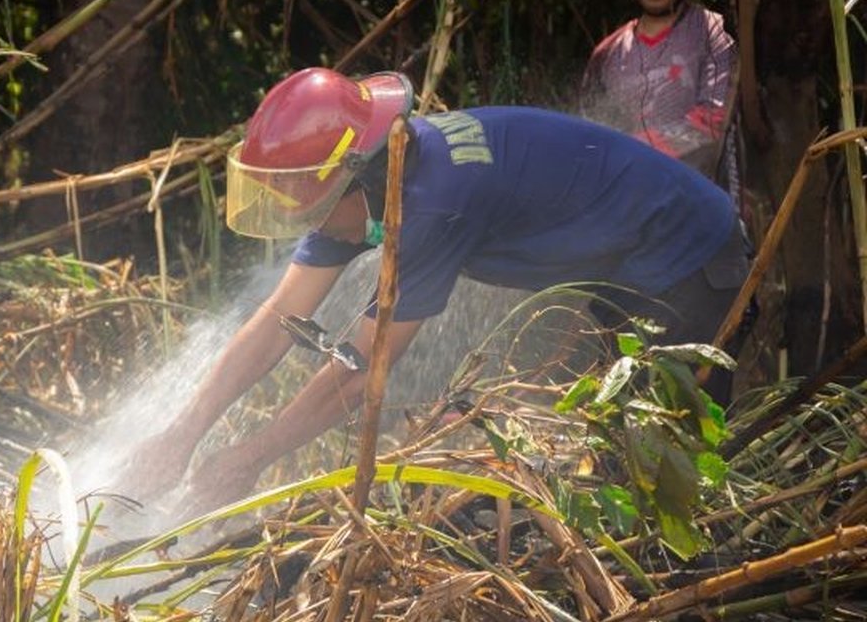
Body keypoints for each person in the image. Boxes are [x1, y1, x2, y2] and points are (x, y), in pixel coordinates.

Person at [124, 67, 748, 512]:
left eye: (311, 211)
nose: (305, 227)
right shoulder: (377, 176)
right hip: (626, 260)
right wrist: (181, 435)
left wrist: (250, 458)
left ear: (354, 177)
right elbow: (276, 317)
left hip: (686, 255)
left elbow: (357, 370)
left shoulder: (434, 205)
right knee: (627, 454)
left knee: (675, 474)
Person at [579, 0, 738, 199]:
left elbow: (714, 120)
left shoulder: (712, 32)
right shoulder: (608, 53)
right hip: (627, 206)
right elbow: (590, 135)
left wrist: (636, 150)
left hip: (699, 203)